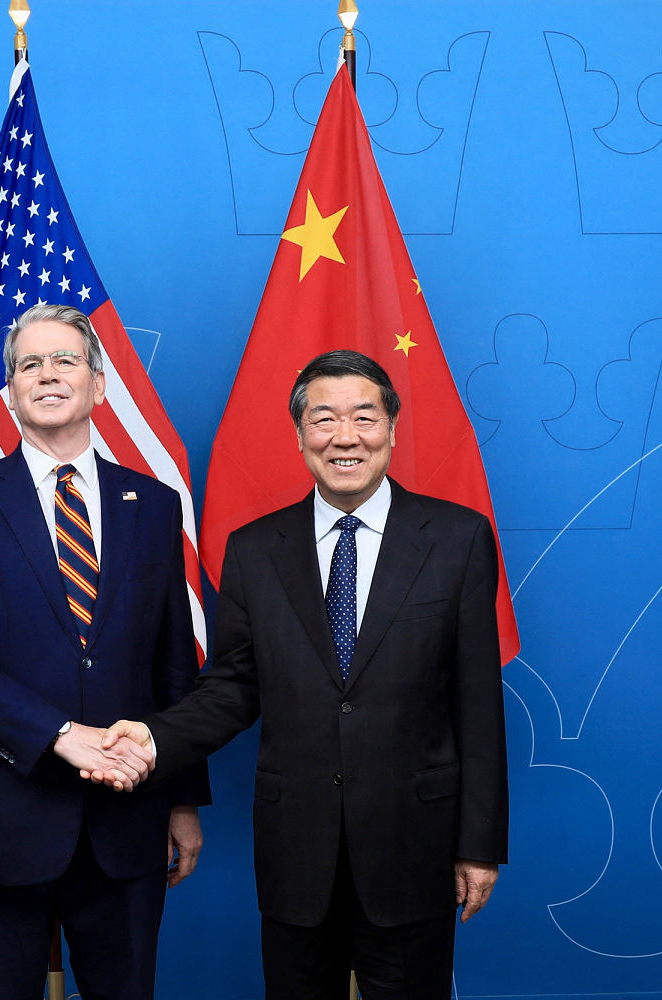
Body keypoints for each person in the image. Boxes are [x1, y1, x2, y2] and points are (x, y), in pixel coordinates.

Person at [95, 349, 508, 998]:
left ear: (393, 430)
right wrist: (152, 739)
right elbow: (232, 688)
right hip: (297, 852)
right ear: (300, 436)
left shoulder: (458, 538)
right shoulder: (255, 549)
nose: (345, 437)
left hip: (414, 846)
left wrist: (480, 844)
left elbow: (478, 705)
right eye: (324, 419)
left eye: (364, 418)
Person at [0, 303, 210, 1000]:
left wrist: (183, 800)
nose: (48, 375)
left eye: (65, 360)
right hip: (0, 819)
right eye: (29, 365)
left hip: (127, 825)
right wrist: (61, 737)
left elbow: (173, 664)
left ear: (99, 384)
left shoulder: (157, 504)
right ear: (9, 392)